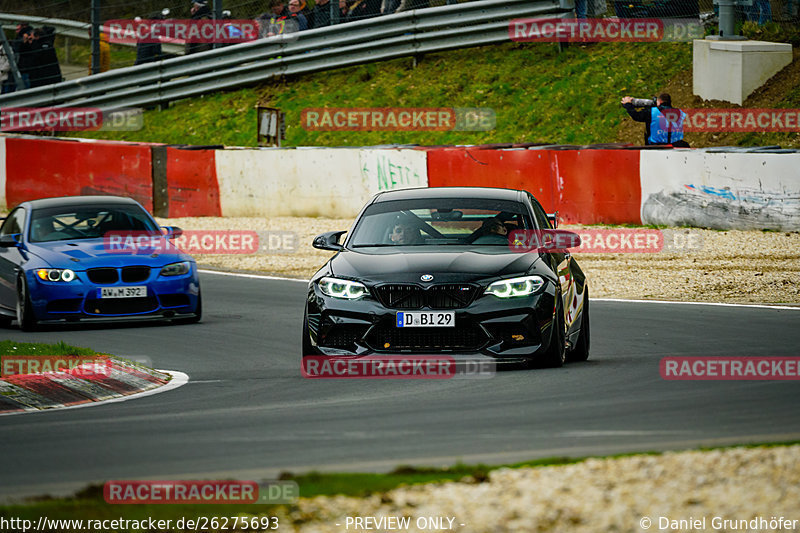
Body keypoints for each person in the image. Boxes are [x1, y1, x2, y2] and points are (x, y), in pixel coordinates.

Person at [621, 93, 687, 146]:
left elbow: (636, 116)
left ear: (659, 101)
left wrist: (628, 104)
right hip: (677, 146)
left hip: (656, 147)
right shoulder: (681, 113)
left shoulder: (652, 112)